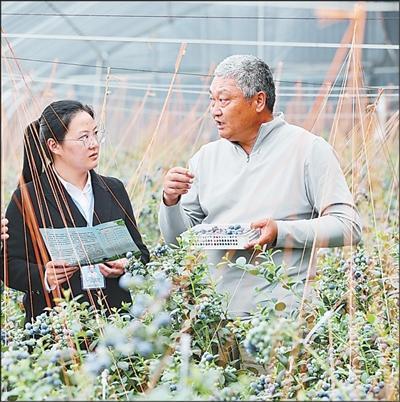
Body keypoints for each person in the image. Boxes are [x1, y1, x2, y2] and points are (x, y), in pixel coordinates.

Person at [159, 54, 362, 319]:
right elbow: (178, 242)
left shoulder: (309, 150)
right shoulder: (205, 158)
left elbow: (348, 227)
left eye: (224, 100)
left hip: (283, 320)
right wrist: (171, 201)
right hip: (215, 322)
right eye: (212, 100)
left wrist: (280, 232)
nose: (214, 110)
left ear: (258, 101)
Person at [1, 100, 149, 324]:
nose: (94, 144)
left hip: (115, 320)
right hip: (57, 326)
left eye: (95, 134)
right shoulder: (27, 197)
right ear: (54, 145)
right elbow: (8, 264)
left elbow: (140, 252)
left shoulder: (114, 189)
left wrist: (126, 265)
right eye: (83, 138)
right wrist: (45, 276)